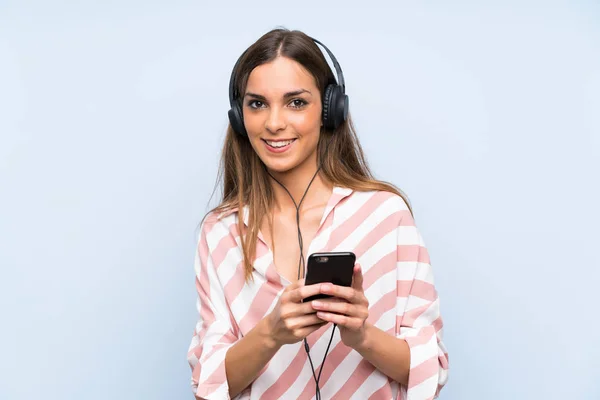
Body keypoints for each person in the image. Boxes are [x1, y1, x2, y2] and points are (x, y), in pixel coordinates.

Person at [187, 27, 449, 400]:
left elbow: (430, 369)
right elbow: (207, 382)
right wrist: (271, 333)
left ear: (329, 110)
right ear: (238, 116)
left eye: (296, 102)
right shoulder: (221, 232)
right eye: (257, 103)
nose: (275, 123)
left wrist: (361, 335)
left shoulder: (386, 217)